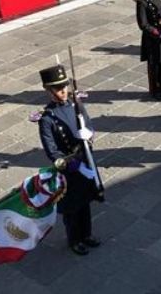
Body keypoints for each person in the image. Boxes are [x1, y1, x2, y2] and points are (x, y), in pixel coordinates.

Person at [37, 65, 103, 255]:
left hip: (85, 160)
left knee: (86, 201)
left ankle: (87, 234)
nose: (63, 91)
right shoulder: (47, 118)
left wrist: (88, 135)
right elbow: (52, 151)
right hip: (69, 170)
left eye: (64, 86)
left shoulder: (76, 105)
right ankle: (74, 239)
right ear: (48, 91)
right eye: (57, 88)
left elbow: (88, 125)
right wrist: (73, 164)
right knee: (72, 208)